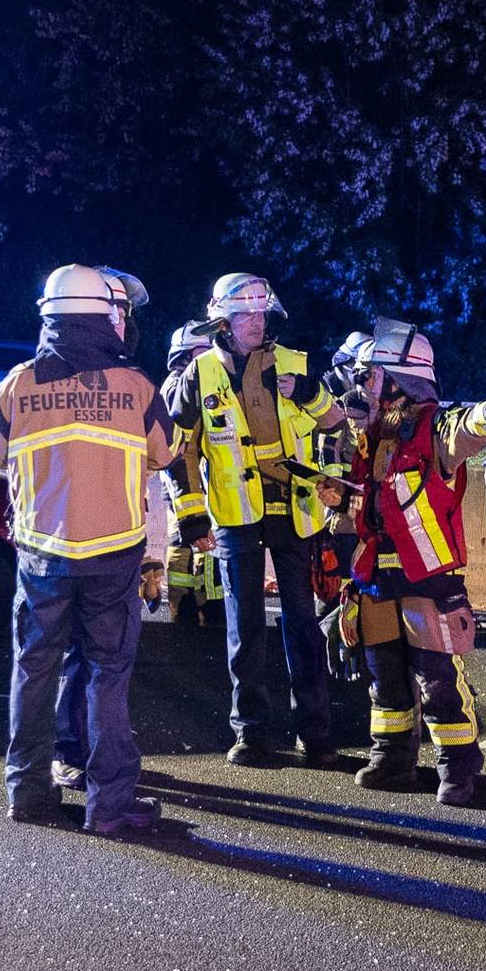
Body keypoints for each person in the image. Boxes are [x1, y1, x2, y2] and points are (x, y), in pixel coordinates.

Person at [0, 262, 174, 835]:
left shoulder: (19, 383)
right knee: (107, 675)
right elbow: (166, 452)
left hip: (42, 553)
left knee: (34, 672)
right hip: (114, 554)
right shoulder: (136, 387)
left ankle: (27, 795)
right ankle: (108, 806)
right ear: (102, 318)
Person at [158, 274, 354, 769]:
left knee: (302, 625)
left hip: (294, 508)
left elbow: (338, 431)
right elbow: (179, 450)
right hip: (233, 513)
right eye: (245, 314)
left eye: (261, 313)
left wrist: (310, 395)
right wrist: (192, 516)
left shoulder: (297, 364)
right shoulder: (198, 374)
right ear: (223, 320)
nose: (255, 321)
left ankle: (315, 733)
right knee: (244, 627)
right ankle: (250, 733)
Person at [338, 319, 486, 805]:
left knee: (438, 675)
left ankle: (458, 766)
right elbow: (372, 504)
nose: (363, 383)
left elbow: (467, 429)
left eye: (372, 375)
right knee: (384, 673)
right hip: (376, 576)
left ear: (401, 378)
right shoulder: (371, 435)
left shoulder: (433, 429)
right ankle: (393, 758)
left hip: (427, 577)